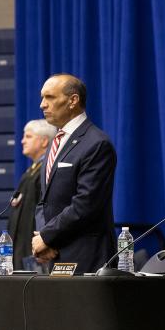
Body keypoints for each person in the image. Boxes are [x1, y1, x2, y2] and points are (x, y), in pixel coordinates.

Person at [31, 74, 117, 274]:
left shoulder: (96, 143)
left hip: (86, 255)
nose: (42, 105)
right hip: (56, 252)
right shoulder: (56, 141)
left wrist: (46, 237)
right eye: (42, 98)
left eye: (50, 97)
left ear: (73, 100)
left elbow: (86, 203)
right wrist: (44, 239)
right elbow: (45, 200)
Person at [8, 119, 56, 270]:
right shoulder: (31, 171)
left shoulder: (47, 171)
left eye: (28, 137)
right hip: (21, 250)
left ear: (43, 142)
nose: (22, 141)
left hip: (37, 253)